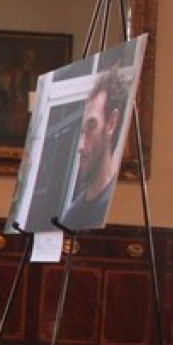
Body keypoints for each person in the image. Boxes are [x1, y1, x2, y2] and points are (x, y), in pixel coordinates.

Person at [59, 67, 130, 230]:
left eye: (91, 127)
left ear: (111, 124)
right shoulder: (71, 214)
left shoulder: (117, 204)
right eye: (82, 131)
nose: (80, 146)